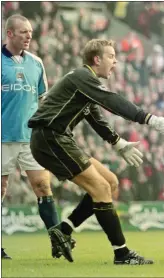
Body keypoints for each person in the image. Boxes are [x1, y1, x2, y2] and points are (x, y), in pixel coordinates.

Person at [28, 38, 164, 265]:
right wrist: (150, 119)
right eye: (111, 57)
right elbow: (111, 100)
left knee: (109, 182)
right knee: (100, 188)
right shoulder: (83, 77)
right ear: (97, 59)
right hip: (50, 138)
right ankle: (122, 254)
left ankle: (63, 229)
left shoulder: (82, 82)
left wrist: (118, 143)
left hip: (56, 138)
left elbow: (94, 116)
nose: (115, 61)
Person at [1, 14, 73, 260]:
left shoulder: (36, 63)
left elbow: (44, 100)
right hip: (2, 138)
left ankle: (56, 238)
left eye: (30, 32)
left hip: (31, 138)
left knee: (43, 186)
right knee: (1, 190)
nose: (29, 35)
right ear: (9, 33)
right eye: (23, 32)